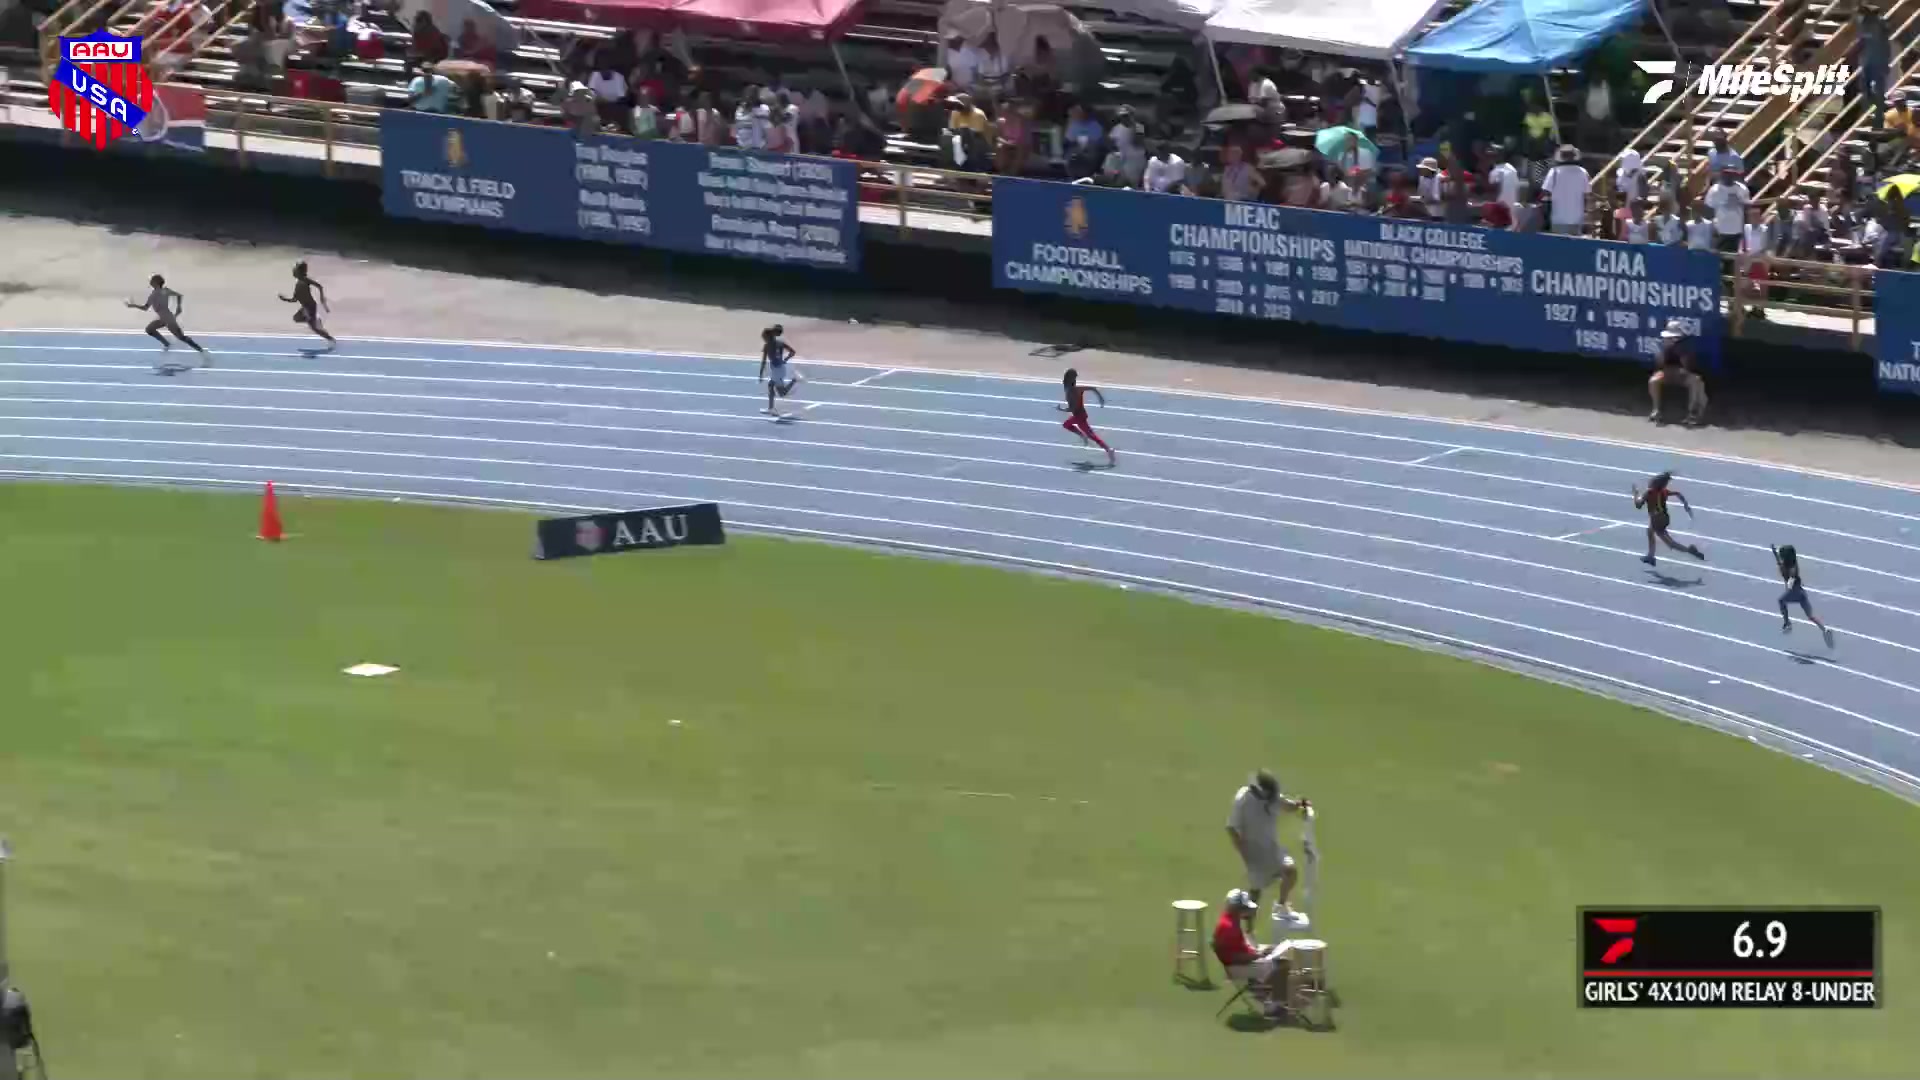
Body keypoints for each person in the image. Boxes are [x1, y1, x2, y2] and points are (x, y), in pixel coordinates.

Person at [1226, 770, 1309, 926]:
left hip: (1272, 849)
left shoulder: (1271, 796)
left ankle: (1281, 906)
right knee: (1253, 898)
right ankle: (1247, 932)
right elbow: (1232, 828)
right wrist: (1243, 853)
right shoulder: (1243, 799)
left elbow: (1285, 804)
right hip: (1254, 853)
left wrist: (1299, 805)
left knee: (1290, 871)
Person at [1211, 889, 1290, 1019]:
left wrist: (1258, 952)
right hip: (1237, 968)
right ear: (1236, 908)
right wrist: (1258, 956)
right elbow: (1234, 958)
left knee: (1276, 954)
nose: (1246, 910)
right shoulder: (1229, 927)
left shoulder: (1230, 920)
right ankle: (1274, 1006)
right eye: (1243, 907)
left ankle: (1266, 996)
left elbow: (1238, 948)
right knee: (1283, 965)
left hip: (1242, 962)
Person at [126, 274, 208, 365]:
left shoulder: (156, 294)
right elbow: (179, 296)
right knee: (149, 329)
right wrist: (179, 307)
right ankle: (167, 344)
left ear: (156, 282)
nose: (150, 282)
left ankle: (202, 351)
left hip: (168, 319)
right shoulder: (163, 291)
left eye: (152, 280)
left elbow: (145, 308)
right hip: (163, 318)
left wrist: (133, 305)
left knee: (182, 337)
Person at [1632, 471, 1706, 566]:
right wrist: (1686, 505)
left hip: (1656, 519)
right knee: (1650, 531)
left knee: (1669, 543)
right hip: (1664, 517)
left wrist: (1635, 494)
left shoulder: (1649, 492)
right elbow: (1678, 494)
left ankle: (1689, 550)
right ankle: (1650, 556)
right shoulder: (1664, 491)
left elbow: (1638, 505)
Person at [1773, 544, 1835, 645]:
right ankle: (1825, 629)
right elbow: (1779, 561)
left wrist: (1789, 585)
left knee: (1781, 601)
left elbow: (1792, 576)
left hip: (1795, 592)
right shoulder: (1790, 564)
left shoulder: (1790, 568)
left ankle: (1787, 623)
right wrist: (1774, 552)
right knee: (1810, 616)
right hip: (1801, 593)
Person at [1648, 319, 1707, 425]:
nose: (1670, 339)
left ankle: (1692, 413)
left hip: (1684, 376)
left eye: (1672, 337)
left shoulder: (1685, 347)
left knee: (1695, 381)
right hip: (1668, 374)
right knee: (1653, 380)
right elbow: (1659, 365)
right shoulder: (1664, 346)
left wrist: (1680, 353)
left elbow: (1689, 367)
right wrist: (1664, 352)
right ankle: (1656, 410)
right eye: (1669, 337)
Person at [1058, 368, 1115, 465]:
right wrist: (1100, 398)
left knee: (1092, 436)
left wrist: (1062, 409)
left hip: (1079, 417)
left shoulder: (1071, 391)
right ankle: (1084, 436)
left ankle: (1109, 450)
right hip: (1080, 415)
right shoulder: (1077, 389)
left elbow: (1072, 408)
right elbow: (1093, 388)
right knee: (1067, 425)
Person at [279, 261, 336, 352]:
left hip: (310, 307)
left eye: (295, 269)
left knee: (314, 328)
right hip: (305, 307)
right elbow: (294, 299)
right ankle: (315, 320)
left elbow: (319, 286)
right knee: (296, 318)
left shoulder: (305, 280)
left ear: (300, 271)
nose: (293, 271)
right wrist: (284, 299)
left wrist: (322, 298)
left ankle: (331, 339)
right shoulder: (298, 284)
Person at [758, 324, 800, 417]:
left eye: (763, 337)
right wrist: (785, 359)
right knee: (772, 386)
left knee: (781, 392)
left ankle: (795, 380)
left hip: (777, 370)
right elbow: (793, 352)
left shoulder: (767, 346)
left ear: (767, 337)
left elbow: (763, 361)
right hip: (780, 369)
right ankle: (771, 408)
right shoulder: (780, 343)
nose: (763, 339)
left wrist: (761, 375)